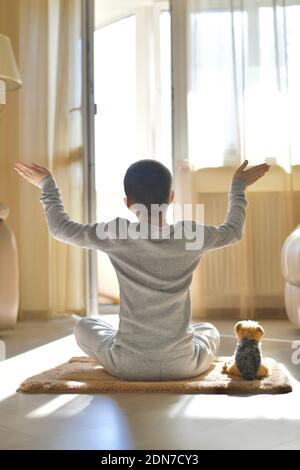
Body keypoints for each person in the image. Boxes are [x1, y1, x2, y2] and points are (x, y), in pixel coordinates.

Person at [14, 159, 270, 381]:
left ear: (127, 203)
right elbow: (233, 231)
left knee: (84, 325)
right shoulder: (191, 234)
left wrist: (48, 185)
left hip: (127, 366)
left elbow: (61, 229)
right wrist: (238, 187)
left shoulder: (117, 233)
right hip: (184, 365)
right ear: (171, 197)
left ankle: (127, 340)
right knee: (208, 330)